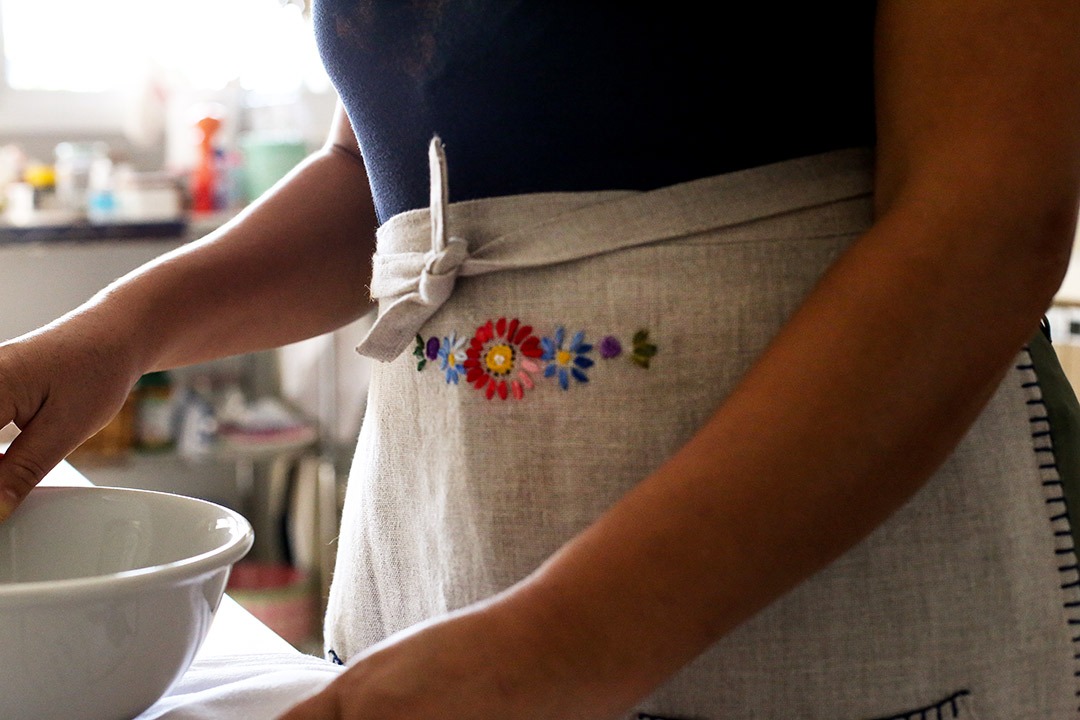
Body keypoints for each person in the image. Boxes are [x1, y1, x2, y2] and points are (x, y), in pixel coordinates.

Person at [2, 2, 1080, 718]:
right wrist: (118, 332)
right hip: (443, 566)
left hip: (816, 607)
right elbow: (387, 176)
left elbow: (986, 211)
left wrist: (564, 642)